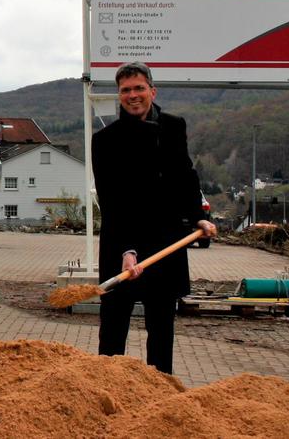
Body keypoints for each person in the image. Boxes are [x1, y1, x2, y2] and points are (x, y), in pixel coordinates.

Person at [91, 62, 216, 374]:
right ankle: (107, 391)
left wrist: (197, 216)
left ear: (152, 90)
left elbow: (185, 175)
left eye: (139, 88)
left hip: (165, 241)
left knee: (161, 327)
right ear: (118, 95)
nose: (133, 95)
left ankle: (160, 396)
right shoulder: (105, 140)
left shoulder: (174, 127)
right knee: (113, 330)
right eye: (125, 90)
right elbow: (111, 199)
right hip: (121, 242)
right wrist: (127, 249)